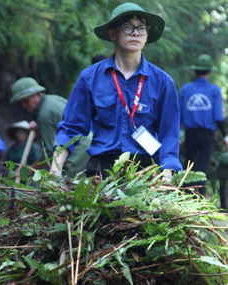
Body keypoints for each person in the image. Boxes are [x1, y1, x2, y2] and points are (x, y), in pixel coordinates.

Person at [50, 3, 183, 180]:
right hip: (101, 171)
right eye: (128, 27)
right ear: (112, 33)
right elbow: (71, 127)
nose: (136, 32)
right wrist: (55, 169)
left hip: (144, 173)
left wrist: (166, 176)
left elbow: (169, 135)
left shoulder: (162, 82)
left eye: (141, 28)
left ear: (146, 35)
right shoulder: (90, 77)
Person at [10, 78, 93, 178]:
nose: (24, 106)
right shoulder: (52, 99)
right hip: (88, 144)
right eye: (21, 103)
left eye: (26, 101)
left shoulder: (44, 116)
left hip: (77, 154)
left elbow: (49, 154)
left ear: (38, 94)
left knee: (73, 187)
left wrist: (27, 170)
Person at [179, 54, 228, 196]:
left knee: (189, 166)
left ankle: (188, 199)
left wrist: (176, 136)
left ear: (196, 71)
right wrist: (225, 135)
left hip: (190, 134)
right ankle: (200, 200)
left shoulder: (185, 89)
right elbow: (218, 116)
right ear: (209, 71)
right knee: (203, 168)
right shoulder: (214, 90)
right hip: (207, 135)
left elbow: (179, 115)